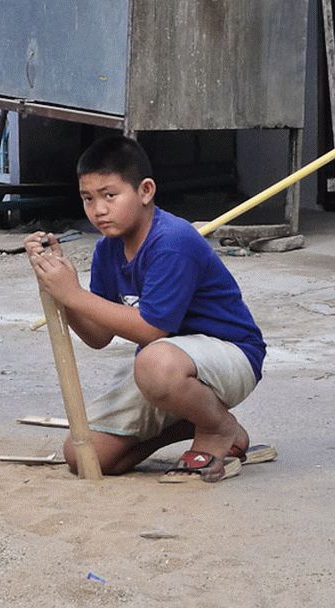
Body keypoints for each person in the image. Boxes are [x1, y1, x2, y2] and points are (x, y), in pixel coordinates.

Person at [24, 136, 267, 482]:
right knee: (83, 454)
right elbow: (98, 336)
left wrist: (75, 294)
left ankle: (218, 430)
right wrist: (58, 287)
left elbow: (151, 330)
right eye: (88, 198)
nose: (99, 209)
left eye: (110, 195)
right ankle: (198, 420)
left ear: (146, 191)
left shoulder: (172, 242)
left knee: (153, 360)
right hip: (167, 371)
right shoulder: (108, 250)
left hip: (229, 357)